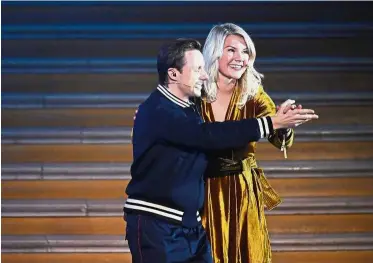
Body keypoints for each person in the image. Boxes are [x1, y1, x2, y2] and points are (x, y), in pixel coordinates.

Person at [124, 38, 318, 263]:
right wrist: (271, 123)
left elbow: (205, 134)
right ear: (174, 74)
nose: (204, 74)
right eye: (198, 69)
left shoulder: (188, 104)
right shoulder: (162, 109)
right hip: (160, 221)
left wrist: (281, 123)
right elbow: (207, 135)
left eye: (245, 51)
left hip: (195, 221)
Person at [199, 23, 311, 263]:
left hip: (242, 191)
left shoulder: (253, 93)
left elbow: (276, 132)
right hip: (202, 191)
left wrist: (284, 126)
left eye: (246, 52)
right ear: (215, 52)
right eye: (231, 50)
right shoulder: (196, 93)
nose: (240, 58)